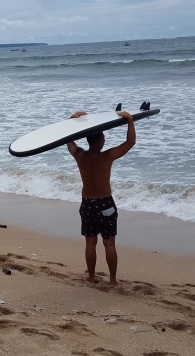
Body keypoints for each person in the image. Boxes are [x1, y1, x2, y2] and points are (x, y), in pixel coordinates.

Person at [66, 110, 136, 286]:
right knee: (109, 244)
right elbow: (130, 142)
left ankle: (91, 277)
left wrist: (71, 121)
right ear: (101, 141)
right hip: (106, 204)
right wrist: (130, 120)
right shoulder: (107, 156)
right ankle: (112, 280)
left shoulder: (80, 155)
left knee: (90, 244)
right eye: (103, 139)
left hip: (88, 204)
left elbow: (68, 140)